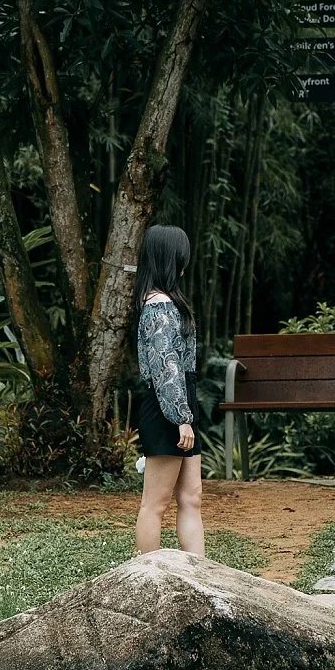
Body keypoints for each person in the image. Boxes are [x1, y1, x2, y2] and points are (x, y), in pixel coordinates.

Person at [133, 224, 205, 557]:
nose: (184, 264)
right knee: (155, 503)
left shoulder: (163, 301)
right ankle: (150, 581)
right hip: (169, 407)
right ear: (169, 258)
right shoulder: (158, 306)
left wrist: (185, 413)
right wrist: (181, 418)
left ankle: (201, 578)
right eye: (181, 257)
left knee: (191, 498)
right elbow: (166, 368)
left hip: (181, 403)